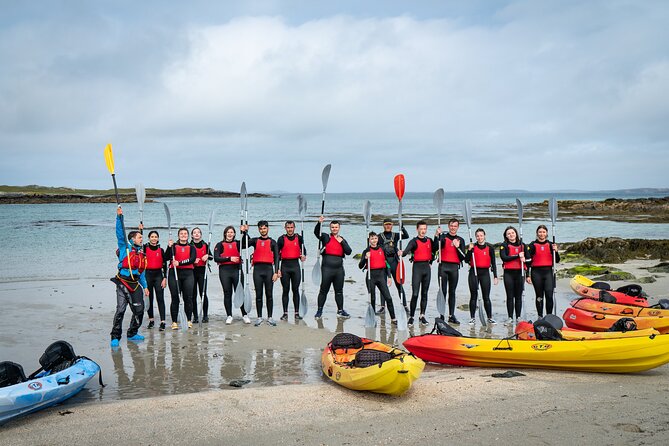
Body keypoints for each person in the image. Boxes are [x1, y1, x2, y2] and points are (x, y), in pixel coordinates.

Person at [110, 206, 149, 347]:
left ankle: (132, 333)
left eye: (142, 237)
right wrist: (119, 217)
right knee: (120, 310)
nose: (141, 239)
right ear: (132, 240)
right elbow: (120, 233)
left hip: (135, 284)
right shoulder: (124, 247)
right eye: (140, 237)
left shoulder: (142, 254)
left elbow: (142, 273)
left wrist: (145, 287)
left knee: (139, 311)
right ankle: (115, 336)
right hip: (122, 283)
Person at [241, 220, 279, 326]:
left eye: (264, 228)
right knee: (259, 295)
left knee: (269, 294)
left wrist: (276, 272)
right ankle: (259, 317)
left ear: (268, 228)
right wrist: (244, 233)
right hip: (257, 270)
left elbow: (277, 257)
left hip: (268, 270)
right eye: (261, 228)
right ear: (258, 229)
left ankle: (270, 317)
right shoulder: (254, 240)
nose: (263, 230)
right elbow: (244, 245)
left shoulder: (273, 242)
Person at [313, 217, 353, 319]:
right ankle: (319, 310)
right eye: (332, 227)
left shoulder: (342, 239)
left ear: (339, 228)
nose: (334, 229)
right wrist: (319, 223)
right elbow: (316, 232)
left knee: (339, 291)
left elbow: (349, 251)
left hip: (339, 270)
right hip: (327, 268)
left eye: (336, 227)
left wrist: (342, 242)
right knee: (323, 290)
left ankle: (340, 310)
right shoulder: (326, 237)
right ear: (330, 228)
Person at [400, 220, 436, 327]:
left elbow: (436, 248)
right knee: (415, 294)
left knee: (424, 293)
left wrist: (437, 235)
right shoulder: (413, 241)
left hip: (427, 269)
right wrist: (401, 253)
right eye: (421, 229)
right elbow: (406, 252)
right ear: (417, 229)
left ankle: (422, 315)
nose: (423, 231)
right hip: (417, 268)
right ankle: (411, 317)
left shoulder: (430, 240)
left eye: (424, 229)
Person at [213, 226, 251, 324]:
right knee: (227, 293)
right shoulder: (220, 244)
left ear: (234, 234)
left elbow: (248, 243)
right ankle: (229, 315)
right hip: (224, 271)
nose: (230, 234)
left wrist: (245, 232)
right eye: (228, 232)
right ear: (225, 234)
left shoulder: (238, 243)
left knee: (240, 292)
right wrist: (229, 258)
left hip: (236, 271)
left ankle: (244, 315)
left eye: (232, 232)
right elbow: (216, 258)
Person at [359, 232, 397, 325]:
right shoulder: (366, 251)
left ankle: (393, 319)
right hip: (370, 276)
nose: (374, 240)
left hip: (381, 276)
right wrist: (365, 258)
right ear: (369, 240)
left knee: (388, 298)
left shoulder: (382, 249)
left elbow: (387, 263)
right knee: (372, 299)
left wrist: (389, 276)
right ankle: (372, 318)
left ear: (377, 239)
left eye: (375, 238)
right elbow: (360, 266)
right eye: (372, 239)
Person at [434, 218, 466, 325]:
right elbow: (437, 246)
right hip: (443, 267)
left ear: (458, 227)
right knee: (443, 292)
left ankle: (451, 315)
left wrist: (457, 247)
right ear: (448, 226)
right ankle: (442, 315)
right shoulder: (443, 237)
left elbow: (463, 258)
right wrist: (437, 236)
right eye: (451, 226)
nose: (453, 228)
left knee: (452, 292)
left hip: (454, 268)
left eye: (455, 226)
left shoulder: (460, 239)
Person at [464, 228, 499, 325]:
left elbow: (493, 263)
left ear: (484, 236)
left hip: (485, 273)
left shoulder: (490, 248)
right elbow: (466, 260)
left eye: (481, 235)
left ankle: (489, 317)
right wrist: (470, 250)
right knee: (473, 296)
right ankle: (472, 318)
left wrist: (495, 276)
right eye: (477, 236)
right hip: (473, 273)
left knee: (486, 297)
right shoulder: (473, 247)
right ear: (475, 237)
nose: (479, 237)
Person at [165, 227, 196, 329]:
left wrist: (180, 262)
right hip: (174, 274)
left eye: (185, 234)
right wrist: (169, 247)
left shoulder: (192, 247)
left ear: (188, 236)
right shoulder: (173, 246)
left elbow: (192, 259)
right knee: (175, 298)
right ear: (178, 236)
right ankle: (174, 321)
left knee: (188, 298)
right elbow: (165, 257)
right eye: (181, 234)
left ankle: (188, 320)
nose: (183, 235)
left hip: (188, 274)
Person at [526, 224, 560, 317]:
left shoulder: (550, 245)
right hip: (536, 273)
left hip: (548, 272)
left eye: (543, 232)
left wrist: (556, 251)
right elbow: (528, 261)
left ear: (547, 233)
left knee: (549, 295)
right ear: (537, 233)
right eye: (540, 232)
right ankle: (540, 316)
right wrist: (527, 275)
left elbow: (557, 260)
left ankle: (549, 316)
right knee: (539, 296)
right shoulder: (532, 245)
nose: (542, 234)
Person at [277, 220, 307, 321]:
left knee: (295, 290)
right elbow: (277, 255)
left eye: (291, 227)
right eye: (288, 227)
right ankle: (285, 313)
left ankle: (296, 313)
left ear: (294, 228)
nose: (290, 229)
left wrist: (303, 256)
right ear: (285, 228)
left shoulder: (299, 238)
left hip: (295, 267)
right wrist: (277, 269)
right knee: (285, 290)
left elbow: (303, 250)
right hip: (285, 267)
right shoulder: (281, 239)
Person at [378, 218, 409, 314]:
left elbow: (406, 236)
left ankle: (405, 305)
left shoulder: (396, 235)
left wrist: (402, 227)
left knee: (399, 284)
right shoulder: (379, 236)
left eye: (390, 224)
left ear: (392, 225)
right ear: (383, 225)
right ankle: (383, 307)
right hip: (384, 262)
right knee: (383, 285)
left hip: (394, 261)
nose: (388, 226)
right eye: (386, 224)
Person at [499, 226, 525, 324]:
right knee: (510, 296)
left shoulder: (522, 245)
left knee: (518, 296)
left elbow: (529, 259)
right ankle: (510, 317)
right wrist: (517, 256)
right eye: (508, 233)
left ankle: (518, 317)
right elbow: (504, 258)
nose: (511, 235)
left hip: (519, 273)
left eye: (512, 233)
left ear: (516, 234)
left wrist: (524, 259)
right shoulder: (504, 245)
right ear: (506, 236)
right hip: (508, 274)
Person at [143, 230, 167, 331]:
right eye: (152, 236)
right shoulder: (144, 248)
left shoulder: (161, 250)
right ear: (149, 238)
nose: (154, 238)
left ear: (158, 238)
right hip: (147, 275)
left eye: (155, 237)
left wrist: (165, 278)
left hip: (158, 276)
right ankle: (151, 320)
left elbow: (165, 265)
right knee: (150, 298)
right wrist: (140, 229)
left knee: (160, 298)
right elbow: (138, 242)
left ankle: (162, 322)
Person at [190, 227, 212, 323]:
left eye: (198, 232)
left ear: (201, 235)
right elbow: (186, 258)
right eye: (194, 233)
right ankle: (195, 316)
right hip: (191, 272)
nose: (197, 234)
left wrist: (208, 256)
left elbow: (212, 257)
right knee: (193, 295)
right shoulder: (189, 245)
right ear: (192, 235)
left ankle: (205, 316)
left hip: (202, 271)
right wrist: (193, 260)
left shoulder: (205, 245)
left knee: (203, 294)